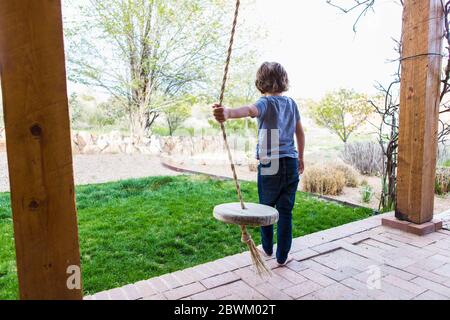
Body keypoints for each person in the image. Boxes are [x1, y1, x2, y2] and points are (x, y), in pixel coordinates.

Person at [212, 61, 305, 266]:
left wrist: (228, 113)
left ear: (260, 83)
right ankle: (282, 256)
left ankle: (267, 247)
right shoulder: (291, 104)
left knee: (266, 207)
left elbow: (248, 110)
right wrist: (301, 157)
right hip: (290, 162)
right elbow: (299, 132)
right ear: (284, 81)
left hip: (271, 162)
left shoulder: (265, 103)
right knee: (285, 212)